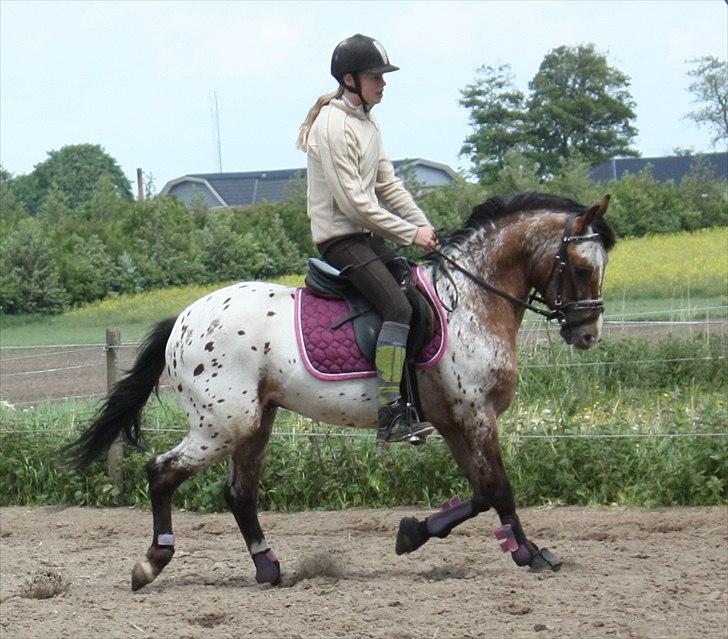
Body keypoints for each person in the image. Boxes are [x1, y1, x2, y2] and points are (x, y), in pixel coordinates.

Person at [297, 33, 439, 444]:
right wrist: (411, 233)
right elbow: (356, 204)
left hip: (364, 236)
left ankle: (413, 403)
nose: (383, 82)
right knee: (396, 307)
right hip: (341, 240)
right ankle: (390, 413)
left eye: (382, 75)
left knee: (416, 298)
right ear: (349, 79)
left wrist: (426, 229)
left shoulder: (367, 122)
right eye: (375, 75)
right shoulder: (332, 125)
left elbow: (389, 185)